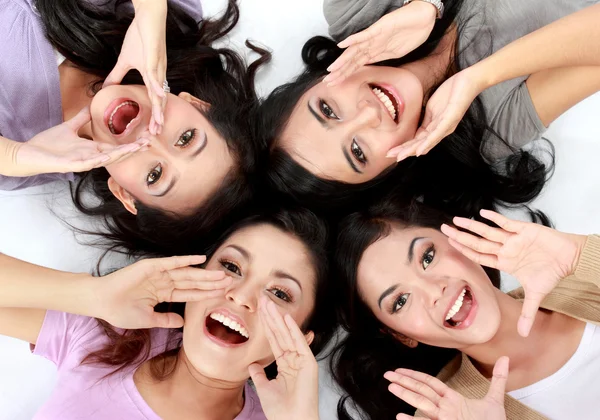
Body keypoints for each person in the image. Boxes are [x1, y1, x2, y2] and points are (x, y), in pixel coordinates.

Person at [259, 0, 600, 218]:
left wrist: (427, 5)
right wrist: (480, 77)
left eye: (328, 110)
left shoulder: (355, 10)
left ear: (316, 81)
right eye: (358, 152)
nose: (368, 114)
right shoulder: (490, 128)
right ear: (388, 173)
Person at [0, 207, 335, 419]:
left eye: (279, 293)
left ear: (300, 342)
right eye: (231, 266)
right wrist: (93, 295)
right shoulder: (110, 334)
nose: (241, 295)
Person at [0, 0, 268, 257]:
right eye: (186, 138)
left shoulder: (18, 159)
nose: (151, 140)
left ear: (123, 193)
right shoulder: (173, 18)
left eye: (154, 175)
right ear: (197, 105)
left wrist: (14, 156)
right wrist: (149, 10)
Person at [332, 199, 600, 419]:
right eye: (400, 301)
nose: (434, 290)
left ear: (459, 239)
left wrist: (580, 255)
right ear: (401, 335)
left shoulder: (582, 270)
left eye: (427, 257)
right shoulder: (445, 414)